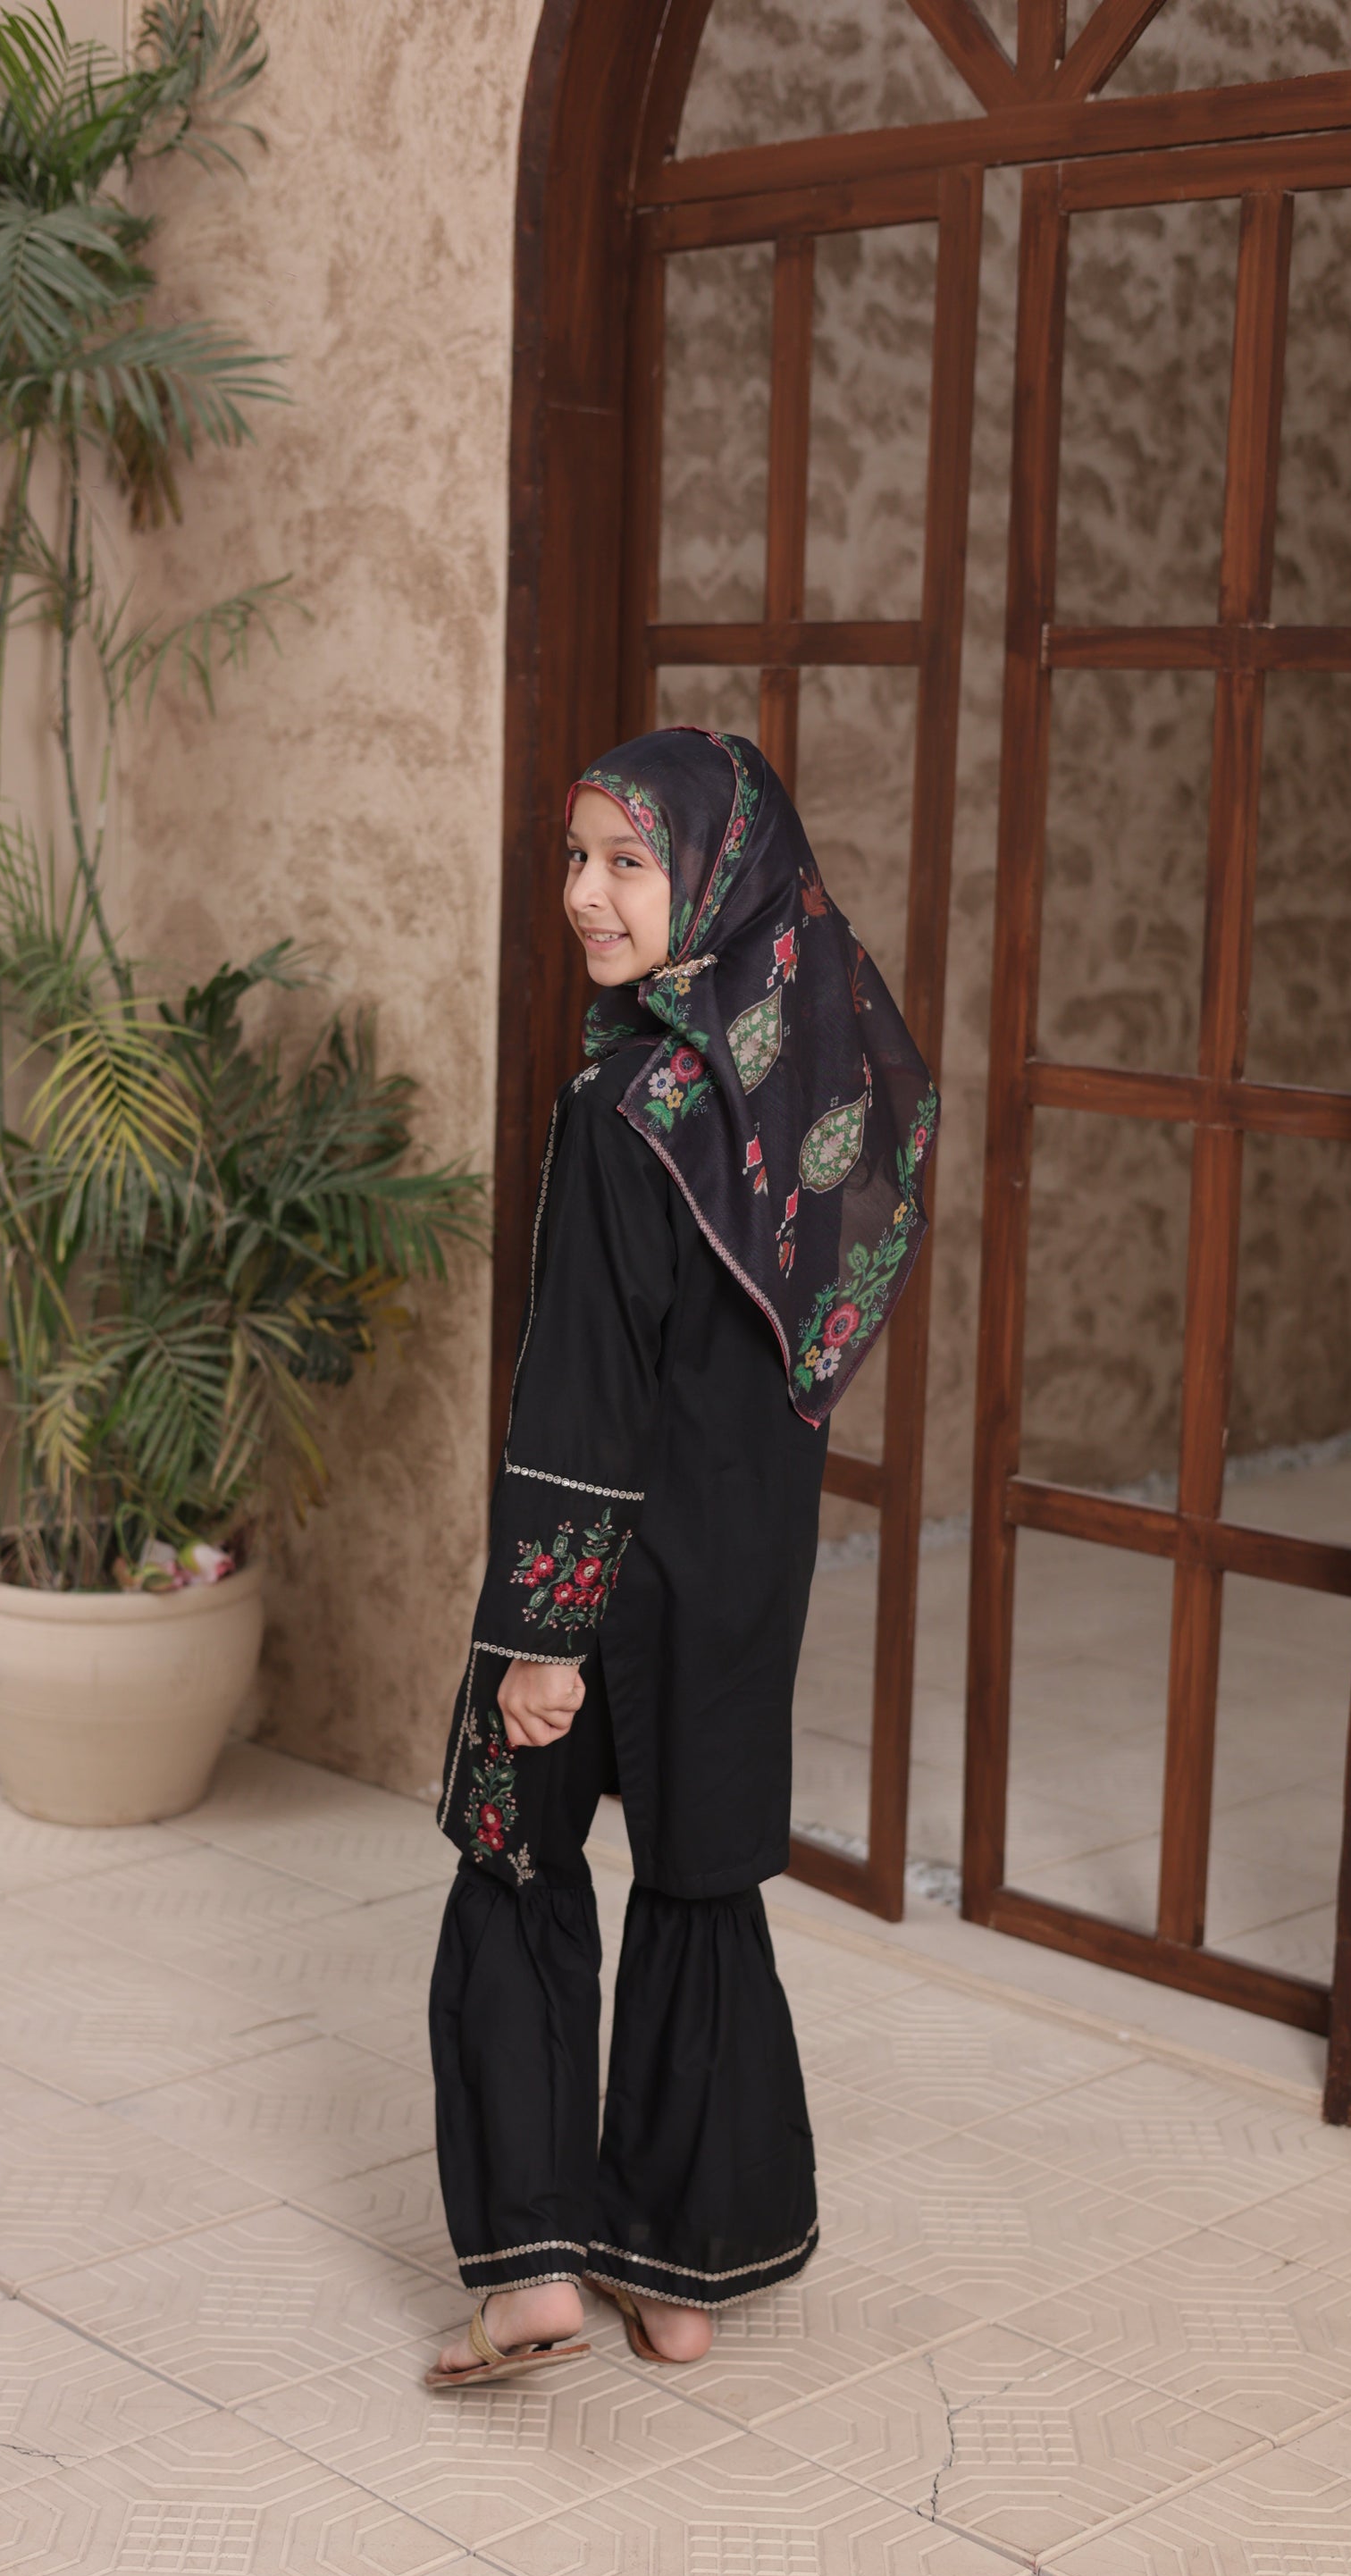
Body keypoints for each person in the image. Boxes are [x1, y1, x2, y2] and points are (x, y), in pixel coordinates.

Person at [426, 726, 936, 2386]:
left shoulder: (621, 1104)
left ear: (711, 873)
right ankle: (683, 2275)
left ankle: (531, 2277)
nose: (585, 896)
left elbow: (582, 1387)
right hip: (744, 1565)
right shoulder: (833, 1067)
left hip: (599, 1565)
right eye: (575, 858)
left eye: (626, 864)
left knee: (514, 1861)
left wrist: (540, 1635)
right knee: (704, 1887)